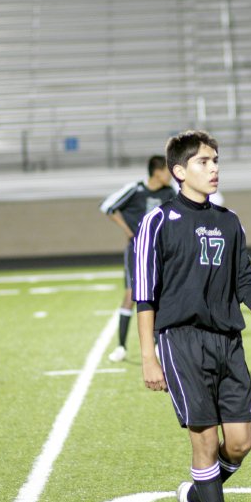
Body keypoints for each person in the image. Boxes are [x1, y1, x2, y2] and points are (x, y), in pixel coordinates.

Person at [133, 130, 251, 502]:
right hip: (180, 341)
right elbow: (144, 296)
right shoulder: (158, 221)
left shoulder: (229, 220)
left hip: (228, 341)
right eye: (204, 162)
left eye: (216, 160)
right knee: (203, 439)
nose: (214, 168)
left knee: (239, 443)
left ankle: (194, 495)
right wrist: (148, 357)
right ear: (179, 171)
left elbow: (245, 280)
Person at [99, 155, 176, 362]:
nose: (170, 175)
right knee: (131, 295)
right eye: (167, 171)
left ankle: (159, 344)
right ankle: (121, 347)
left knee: (158, 295)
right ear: (157, 172)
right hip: (136, 250)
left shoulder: (170, 193)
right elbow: (107, 206)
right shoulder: (135, 189)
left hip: (160, 252)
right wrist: (127, 230)